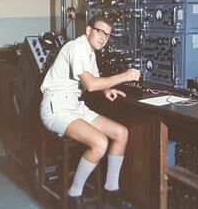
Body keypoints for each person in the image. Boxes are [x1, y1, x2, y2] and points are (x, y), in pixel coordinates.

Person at [40, 14, 140, 208]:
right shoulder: (77, 48)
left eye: (108, 35)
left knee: (121, 133)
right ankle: (73, 194)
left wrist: (107, 89)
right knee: (100, 142)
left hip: (74, 106)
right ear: (88, 30)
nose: (103, 37)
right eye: (99, 31)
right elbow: (90, 84)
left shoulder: (89, 51)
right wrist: (125, 76)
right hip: (56, 109)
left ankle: (111, 190)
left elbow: (94, 79)